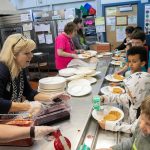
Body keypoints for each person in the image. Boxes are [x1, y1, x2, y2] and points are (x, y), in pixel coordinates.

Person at [0, 33, 70, 114]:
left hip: (12, 117)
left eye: (31, 52)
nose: (31, 56)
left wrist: (50, 97)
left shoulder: (19, 68)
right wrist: (28, 106)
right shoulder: (2, 70)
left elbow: (29, 93)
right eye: (26, 53)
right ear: (13, 54)